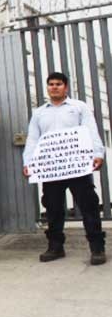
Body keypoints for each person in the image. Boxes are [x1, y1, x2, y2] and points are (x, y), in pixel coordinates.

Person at [22, 72, 106, 265]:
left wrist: (98, 154)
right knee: (53, 209)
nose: (54, 87)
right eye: (51, 84)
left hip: (77, 167)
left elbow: (91, 130)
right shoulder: (39, 113)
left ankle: (97, 247)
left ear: (65, 87)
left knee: (89, 207)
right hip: (52, 170)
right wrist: (28, 163)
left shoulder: (79, 107)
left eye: (58, 84)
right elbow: (33, 139)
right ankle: (55, 247)